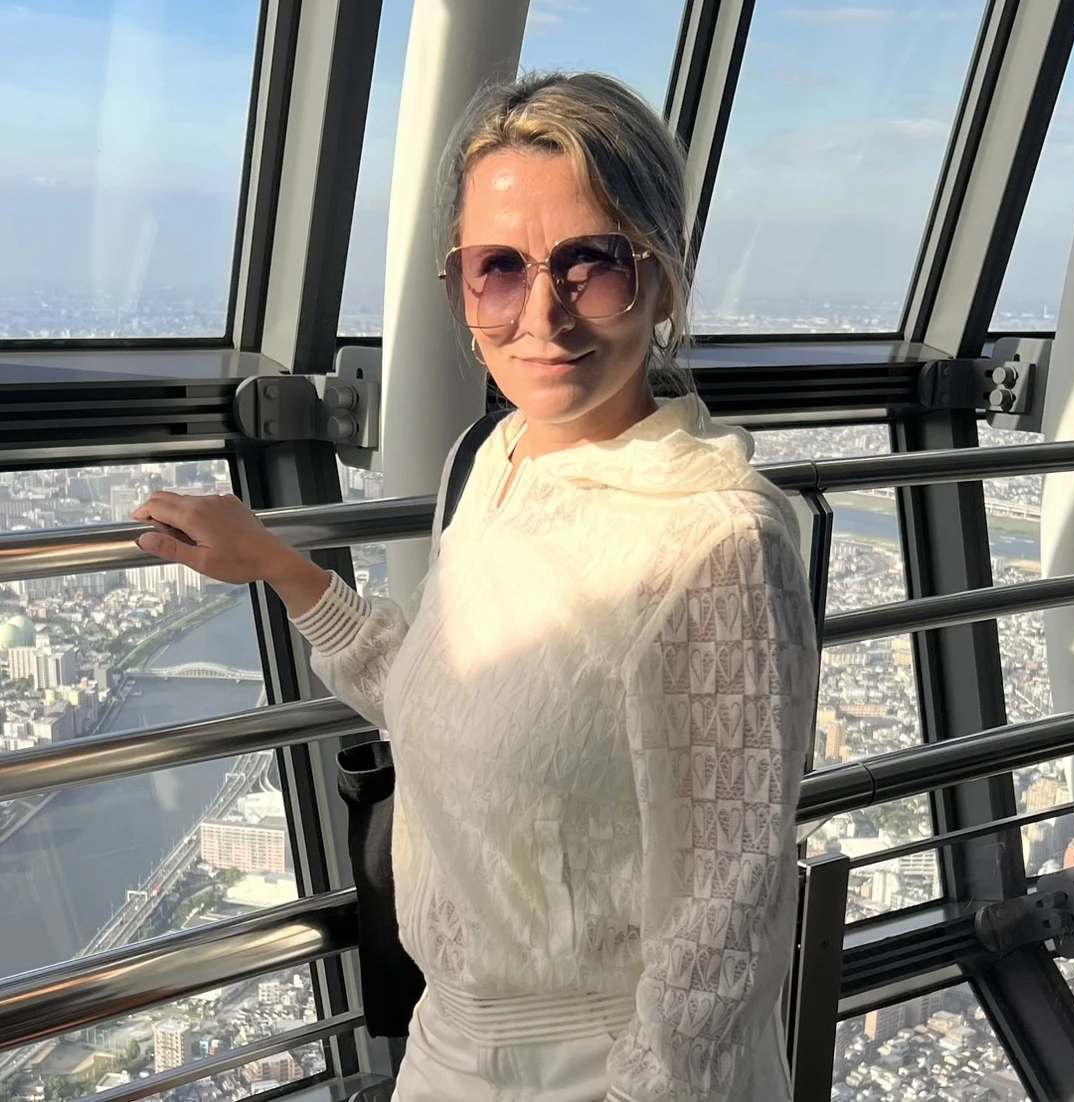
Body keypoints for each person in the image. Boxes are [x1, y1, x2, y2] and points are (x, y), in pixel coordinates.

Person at [133, 71, 817, 1102]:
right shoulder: (497, 460)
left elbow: (723, 927)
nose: (541, 314)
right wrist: (277, 565)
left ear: (664, 284)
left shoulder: (712, 540)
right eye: (497, 269)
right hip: (445, 1042)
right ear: (458, 288)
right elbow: (444, 699)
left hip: (600, 1068)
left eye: (593, 264)